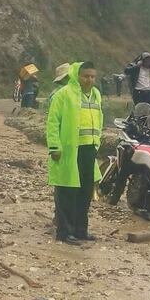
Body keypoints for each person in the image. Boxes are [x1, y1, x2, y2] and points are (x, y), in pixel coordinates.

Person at [47, 62, 103, 245]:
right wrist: (54, 147)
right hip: (70, 150)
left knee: (85, 192)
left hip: (89, 150)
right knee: (67, 191)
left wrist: (97, 144)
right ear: (76, 76)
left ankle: (81, 230)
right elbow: (53, 121)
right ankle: (65, 232)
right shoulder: (63, 95)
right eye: (86, 76)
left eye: (93, 76)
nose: (89, 80)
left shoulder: (96, 95)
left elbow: (99, 121)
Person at [124, 52, 150, 129]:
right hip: (138, 92)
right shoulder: (136, 67)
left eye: (148, 61)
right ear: (141, 61)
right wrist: (136, 66)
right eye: (145, 61)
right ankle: (140, 127)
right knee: (139, 110)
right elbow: (126, 71)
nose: (147, 63)